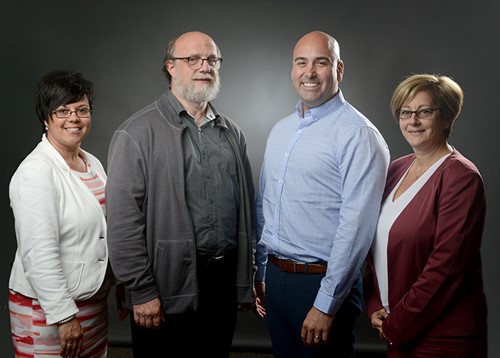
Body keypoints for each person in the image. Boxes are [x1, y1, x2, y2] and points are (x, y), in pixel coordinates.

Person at [106, 31, 256, 358]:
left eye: (212, 60)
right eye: (193, 60)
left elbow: (248, 211)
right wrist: (141, 291)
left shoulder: (232, 134)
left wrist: (246, 278)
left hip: (223, 284)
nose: (204, 67)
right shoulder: (136, 132)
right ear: (170, 67)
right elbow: (121, 222)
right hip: (165, 284)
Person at [253, 31, 390, 357]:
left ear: (339, 69)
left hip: (321, 284)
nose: (309, 72)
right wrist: (261, 271)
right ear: (292, 69)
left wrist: (327, 303)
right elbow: (265, 205)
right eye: (301, 62)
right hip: (276, 279)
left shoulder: (359, 136)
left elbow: (356, 228)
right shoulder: (281, 130)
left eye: (321, 63)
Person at [363, 74, 488, 357]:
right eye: (405, 112)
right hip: (396, 329)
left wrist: (397, 324)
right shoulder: (396, 169)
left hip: (443, 337)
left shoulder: (461, 177)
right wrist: (374, 306)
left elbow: (446, 267)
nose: (413, 121)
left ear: (446, 118)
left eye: (424, 112)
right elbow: (374, 248)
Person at [8, 70, 120, 358]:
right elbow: (38, 251)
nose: (74, 118)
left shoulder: (90, 162)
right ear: (46, 119)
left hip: (92, 304)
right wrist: (63, 316)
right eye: (63, 111)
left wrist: (118, 280)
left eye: (82, 110)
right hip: (49, 312)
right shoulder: (35, 172)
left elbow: (104, 230)